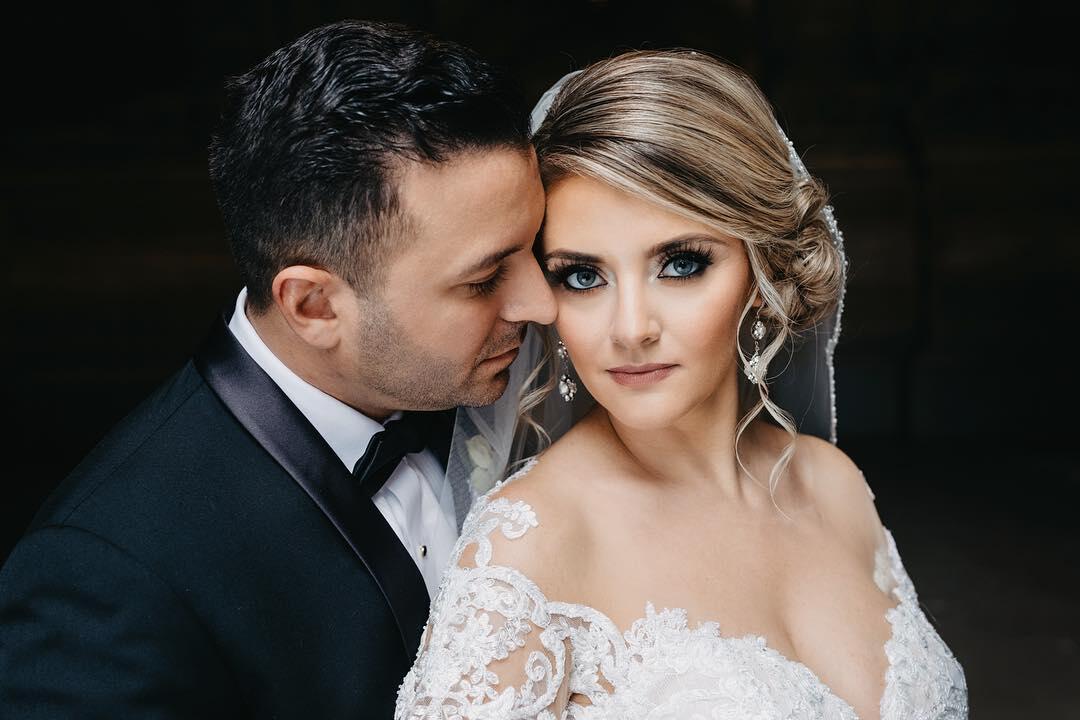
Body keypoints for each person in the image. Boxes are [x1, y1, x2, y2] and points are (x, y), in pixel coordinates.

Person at [0, 20, 556, 718]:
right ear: (314, 305)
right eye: (483, 279)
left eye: (537, 248)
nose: (541, 304)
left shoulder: (518, 405)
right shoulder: (107, 576)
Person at [395, 50, 968, 720]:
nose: (631, 327)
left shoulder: (830, 483)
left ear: (763, 268)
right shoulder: (531, 549)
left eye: (682, 263)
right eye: (583, 275)